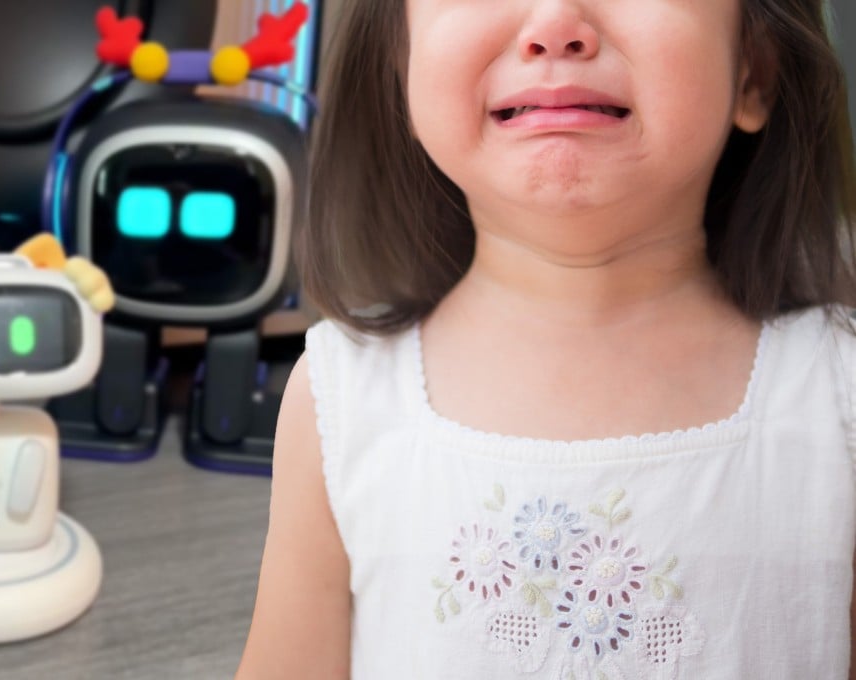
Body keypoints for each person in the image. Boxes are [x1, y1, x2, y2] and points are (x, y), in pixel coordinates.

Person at [236, 0, 856, 677]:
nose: (556, 24)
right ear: (401, 69)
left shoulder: (837, 400)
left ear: (753, 74)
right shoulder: (342, 399)